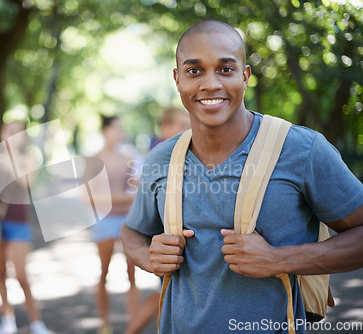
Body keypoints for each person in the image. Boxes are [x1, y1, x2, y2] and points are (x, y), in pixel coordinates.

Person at [120, 19, 363, 334]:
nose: (210, 84)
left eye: (225, 69)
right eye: (194, 71)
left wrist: (279, 260)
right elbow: (130, 233)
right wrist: (147, 255)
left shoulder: (302, 151)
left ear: (245, 75)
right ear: (178, 80)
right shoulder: (160, 159)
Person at [0, 121, 51, 334]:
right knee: (0, 273)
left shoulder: (28, 158)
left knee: (21, 275)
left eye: (18, 132)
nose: (12, 135)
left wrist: (5, 159)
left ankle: (37, 323)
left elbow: (27, 182)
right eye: (9, 131)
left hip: (19, 223)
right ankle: (7, 321)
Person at [125, 107, 189, 334]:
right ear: (165, 127)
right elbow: (137, 184)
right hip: (161, 233)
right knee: (165, 292)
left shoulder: (185, 152)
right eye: (182, 125)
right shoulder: (158, 154)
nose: (187, 129)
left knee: (167, 293)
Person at [89, 115, 139, 334]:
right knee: (104, 273)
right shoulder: (94, 160)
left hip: (127, 220)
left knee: (132, 273)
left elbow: (138, 188)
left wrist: (114, 197)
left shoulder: (127, 157)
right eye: (117, 128)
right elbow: (88, 197)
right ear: (106, 130)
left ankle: (133, 323)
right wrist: (122, 197)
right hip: (105, 221)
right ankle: (104, 323)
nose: (121, 132)